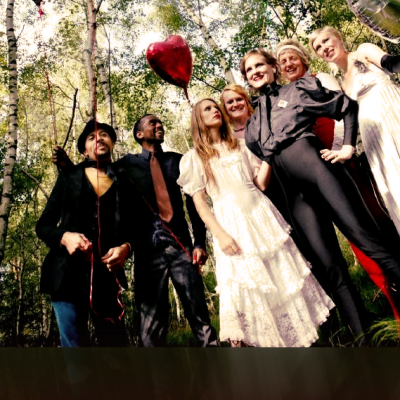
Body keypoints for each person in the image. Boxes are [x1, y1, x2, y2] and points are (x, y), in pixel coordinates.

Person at [241, 48, 400, 344]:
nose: (255, 72)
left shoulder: (299, 89)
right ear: (247, 78)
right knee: (330, 268)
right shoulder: (252, 126)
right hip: (296, 198)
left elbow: (347, 107)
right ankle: (364, 342)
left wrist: (347, 147)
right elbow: (264, 160)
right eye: (249, 70)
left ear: (273, 67)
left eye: (260, 65)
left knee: (369, 242)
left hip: (324, 176)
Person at [178, 98, 334, 347]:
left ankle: (302, 342)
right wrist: (220, 235)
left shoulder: (240, 145)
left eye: (216, 106)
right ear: (199, 119)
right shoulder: (194, 158)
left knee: (280, 278)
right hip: (231, 224)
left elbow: (260, 183)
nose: (215, 110)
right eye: (207, 109)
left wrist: (268, 156)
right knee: (244, 283)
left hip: (262, 215)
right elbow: (200, 204)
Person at [53, 115, 218, 347]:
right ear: (139, 134)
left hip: (182, 247)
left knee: (198, 313)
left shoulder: (179, 161)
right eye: (152, 123)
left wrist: (199, 242)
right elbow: (95, 176)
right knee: (151, 325)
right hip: (147, 252)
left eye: (160, 122)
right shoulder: (125, 165)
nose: (158, 125)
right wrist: (68, 168)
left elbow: (194, 203)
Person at [276, 38, 400, 319]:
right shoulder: (286, 96)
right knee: (359, 245)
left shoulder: (322, 79)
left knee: (375, 228)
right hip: (319, 174)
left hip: (342, 163)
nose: (288, 64)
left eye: (292, 57)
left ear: (303, 59)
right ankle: (394, 308)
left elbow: (344, 114)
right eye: (283, 61)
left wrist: (341, 150)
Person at [36, 120, 137, 347]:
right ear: (84, 150)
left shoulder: (125, 180)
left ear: (112, 143)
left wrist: (126, 248)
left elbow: (135, 228)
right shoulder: (69, 176)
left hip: (107, 277)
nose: (99, 138)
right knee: (75, 349)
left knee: (116, 350)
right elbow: (43, 225)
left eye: (104, 135)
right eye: (91, 137)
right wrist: (64, 237)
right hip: (65, 276)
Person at [310, 26, 400, 237]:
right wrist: (342, 148)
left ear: (338, 38)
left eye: (326, 40)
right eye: (318, 47)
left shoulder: (363, 52)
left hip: (395, 116)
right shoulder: (341, 84)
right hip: (374, 138)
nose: (324, 48)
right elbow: (345, 121)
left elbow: (393, 63)